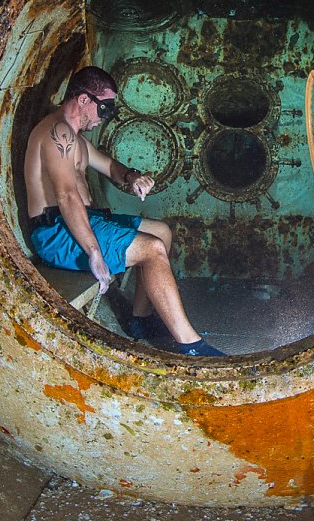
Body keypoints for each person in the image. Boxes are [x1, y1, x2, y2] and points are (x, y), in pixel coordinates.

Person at [23, 65, 225, 358]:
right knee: (152, 248)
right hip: (56, 232)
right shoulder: (58, 134)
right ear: (83, 100)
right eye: (104, 108)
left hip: (81, 221)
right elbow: (67, 196)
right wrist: (93, 252)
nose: (105, 116)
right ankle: (191, 345)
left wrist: (132, 177)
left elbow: (109, 167)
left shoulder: (76, 138)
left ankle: (139, 321)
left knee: (162, 231)